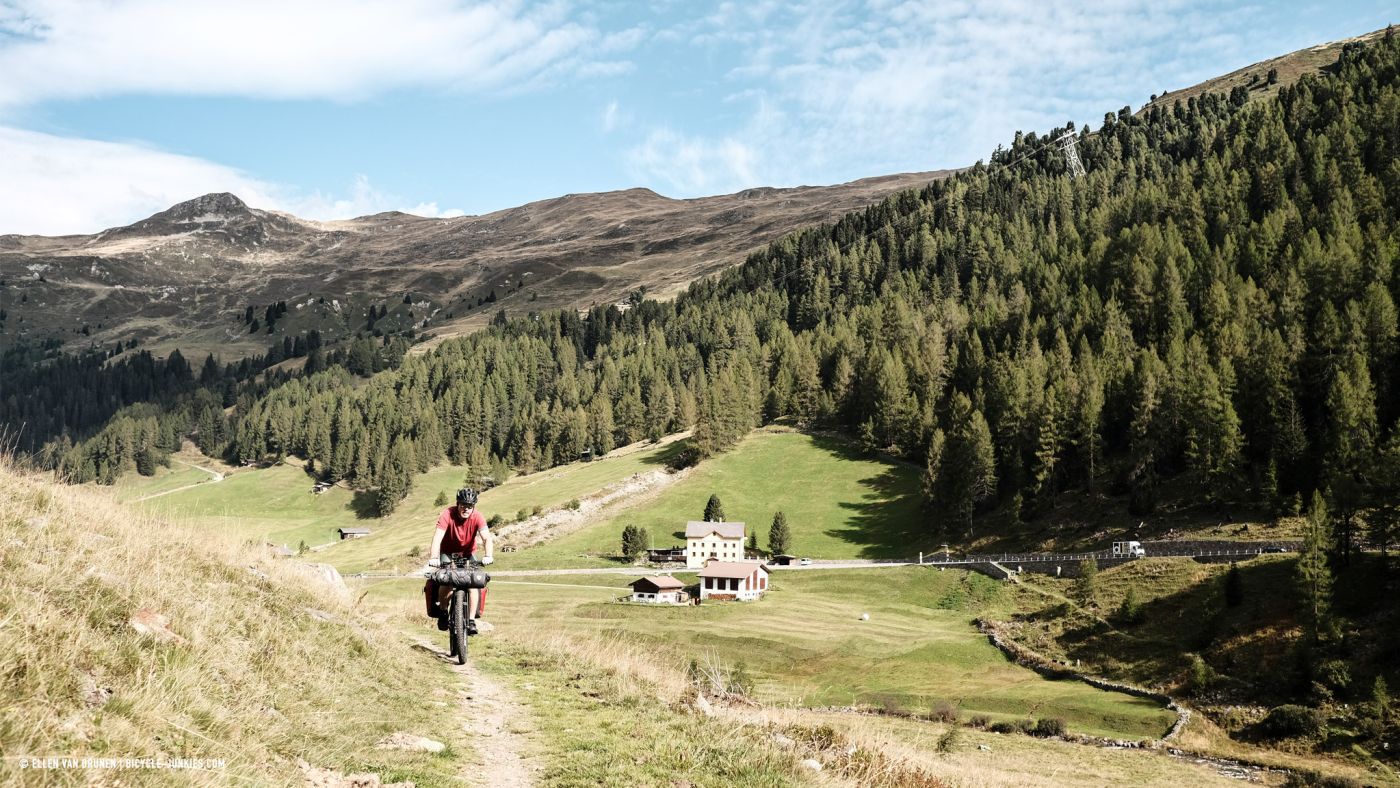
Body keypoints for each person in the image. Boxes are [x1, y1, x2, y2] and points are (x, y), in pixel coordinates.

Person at [423, 487, 494, 634]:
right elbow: (437, 538)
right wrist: (434, 558)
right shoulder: (447, 514)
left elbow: (487, 538)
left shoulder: (478, 517)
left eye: (470, 506)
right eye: (463, 505)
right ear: (457, 504)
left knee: (473, 583)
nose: (466, 509)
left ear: (473, 506)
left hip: (468, 553)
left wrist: (488, 555)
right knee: (447, 581)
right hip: (447, 553)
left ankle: (471, 621)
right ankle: (443, 612)